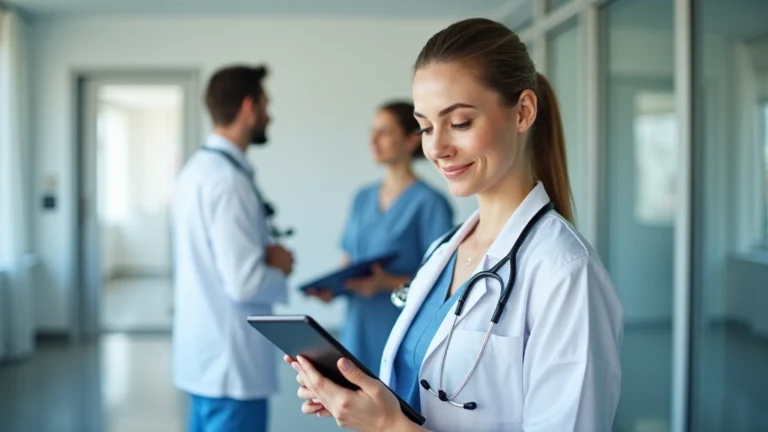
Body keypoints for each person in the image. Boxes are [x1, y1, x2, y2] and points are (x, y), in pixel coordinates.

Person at [287, 18, 623, 432]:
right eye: (426, 127)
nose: (437, 147)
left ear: (523, 112)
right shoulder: (443, 250)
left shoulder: (565, 272)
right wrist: (356, 399)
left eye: (459, 123)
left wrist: (389, 427)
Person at [171, 65, 294, 432]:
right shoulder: (228, 181)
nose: (270, 115)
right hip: (230, 365)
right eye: (266, 104)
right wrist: (280, 266)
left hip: (203, 354)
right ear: (249, 107)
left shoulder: (197, 170)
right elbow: (245, 283)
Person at [306, 100, 455, 374]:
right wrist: (335, 287)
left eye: (384, 132)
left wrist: (386, 283)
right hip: (357, 330)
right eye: (371, 131)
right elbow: (348, 262)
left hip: (401, 330)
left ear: (412, 139)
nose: (373, 140)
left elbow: (445, 281)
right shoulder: (362, 198)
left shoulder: (430, 203)